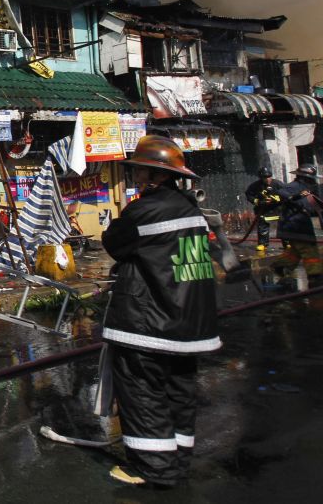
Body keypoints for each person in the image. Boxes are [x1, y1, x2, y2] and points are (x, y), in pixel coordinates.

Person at [101, 136, 220, 488]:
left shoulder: (145, 209)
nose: (136, 177)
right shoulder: (190, 210)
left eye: (139, 171)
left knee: (143, 393)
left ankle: (154, 468)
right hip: (189, 325)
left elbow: (114, 242)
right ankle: (177, 461)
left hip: (149, 324)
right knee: (179, 393)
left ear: (154, 175)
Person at [277, 164, 322, 289]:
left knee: (296, 251)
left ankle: (281, 267)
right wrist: (293, 197)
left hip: (298, 225)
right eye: (310, 179)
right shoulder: (294, 187)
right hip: (294, 225)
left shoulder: (306, 189)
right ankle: (315, 276)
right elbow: (281, 192)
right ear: (304, 178)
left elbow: (312, 207)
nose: (312, 181)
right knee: (309, 250)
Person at [244, 166, 282, 251]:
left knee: (283, 225)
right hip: (263, 210)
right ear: (261, 178)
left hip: (277, 209)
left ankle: (287, 243)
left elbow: (286, 194)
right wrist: (257, 201)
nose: (268, 179)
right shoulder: (255, 186)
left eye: (269, 177)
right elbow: (249, 194)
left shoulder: (278, 184)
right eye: (265, 178)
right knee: (262, 227)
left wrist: (276, 199)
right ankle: (262, 244)